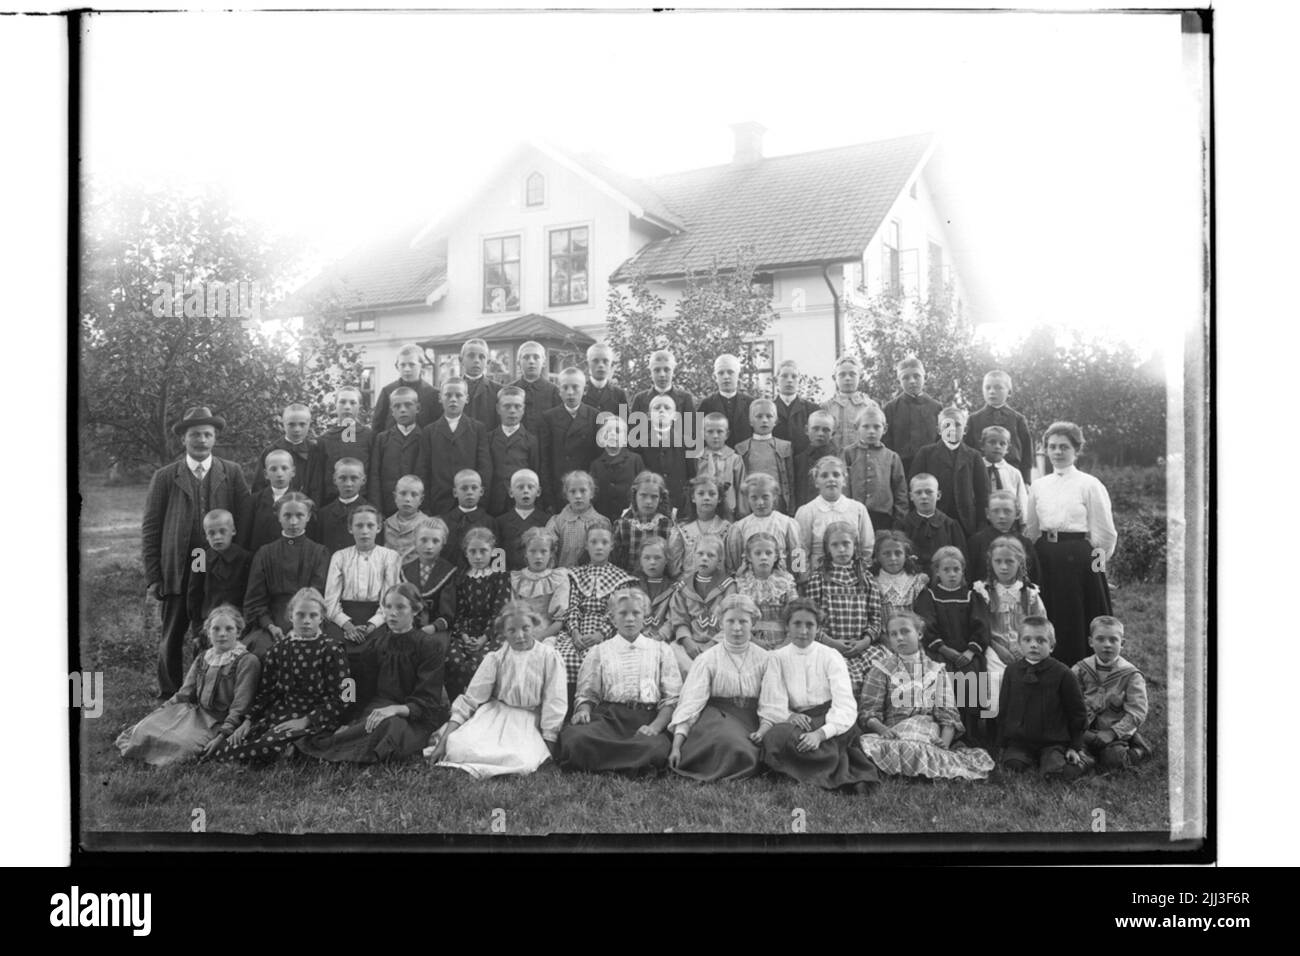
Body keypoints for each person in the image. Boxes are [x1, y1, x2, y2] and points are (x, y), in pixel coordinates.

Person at [143, 405, 252, 696]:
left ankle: (204, 690)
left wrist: (238, 564)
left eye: (207, 434)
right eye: (195, 435)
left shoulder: (231, 472)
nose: (201, 440)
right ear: (184, 439)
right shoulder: (166, 477)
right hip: (179, 567)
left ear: (215, 438)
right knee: (173, 632)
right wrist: (155, 575)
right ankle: (169, 693)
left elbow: (244, 519)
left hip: (218, 569)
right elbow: (152, 527)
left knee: (211, 629)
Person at [296, 582, 448, 763]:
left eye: (400, 607)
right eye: (388, 607)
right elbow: (358, 690)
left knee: (389, 726)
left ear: (415, 610)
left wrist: (394, 710)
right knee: (368, 723)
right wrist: (348, 720)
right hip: (377, 709)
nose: (392, 613)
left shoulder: (430, 646)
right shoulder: (376, 645)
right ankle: (325, 747)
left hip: (412, 717)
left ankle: (336, 754)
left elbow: (428, 700)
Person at [206, 587, 350, 762]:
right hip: (283, 713)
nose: (306, 621)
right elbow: (266, 692)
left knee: (263, 745)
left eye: (313, 615)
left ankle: (296, 748)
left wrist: (307, 720)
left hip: (319, 717)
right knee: (241, 739)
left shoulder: (333, 649)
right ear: (290, 616)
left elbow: (346, 697)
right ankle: (290, 749)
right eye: (300, 615)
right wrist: (248, 721)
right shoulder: (279, 649)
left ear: (322, 618)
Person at [429, 602, 568, 778]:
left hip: (527, 719)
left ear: (535, 625)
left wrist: (549, 746)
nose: (520, 636)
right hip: (495, 715)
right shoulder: (496, 658)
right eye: (512, 630)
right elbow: (470, 699)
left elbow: (555, 702)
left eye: (525, 628)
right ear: (503, 632)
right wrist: (444, 742)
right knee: (458, 747)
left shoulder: (549, 657)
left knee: (523, 759)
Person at [759, 598, 880, 792]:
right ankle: (819, 766)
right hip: (799, 718)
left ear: (818, 628)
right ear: (787, 626)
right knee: (776, 737)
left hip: (828, 716)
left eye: (810, 625)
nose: (803, 631)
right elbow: (771, 699)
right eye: (797, 624)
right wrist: (790, 715)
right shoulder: (777, 657)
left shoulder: (831, 655)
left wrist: (820, 734)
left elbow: (844, 703)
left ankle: (816, 768)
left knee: (828, 740)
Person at [857, 611, 995, 780]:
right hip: (896, 731)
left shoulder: (936, 669)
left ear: (919, 634)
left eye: (905, 631)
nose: (899, 638)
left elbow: (948, 715)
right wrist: (883, 730)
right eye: (893, 634)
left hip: (927, 732)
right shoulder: (881, 669)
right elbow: (869, 711)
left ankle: (921, 763)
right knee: (866, 747)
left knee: (925, 747)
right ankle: (914, 765)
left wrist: (944, 743)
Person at [117, 604, 261, 766]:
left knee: (183, 747)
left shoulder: (247, 661)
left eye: (229, 629)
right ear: (208, 632)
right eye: (216, 629)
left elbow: (240, 706)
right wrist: (159, 712)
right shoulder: (204, 657)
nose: (222, 634)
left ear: (239, 632)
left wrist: (222, 736)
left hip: (220, 722)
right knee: (144, 730)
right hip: (196, 714)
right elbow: (184, 693)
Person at [559, 588, 682, 775]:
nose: (630, 619)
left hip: (646, 718)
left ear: (645, 616)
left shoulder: (661, 650)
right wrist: (583, 711)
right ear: (612, 618)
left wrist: (655, 728)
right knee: (575, 739)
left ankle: (605, 760)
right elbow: (587, 694)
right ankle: (630, 762)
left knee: (655, 749)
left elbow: (671, 699)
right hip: (610, 719)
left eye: (636, 613)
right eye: (623, 613)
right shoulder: (599, 651)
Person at [1025, 421, 1117, 666]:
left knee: (1076, 615)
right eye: (1052, 446)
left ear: (1076, 450)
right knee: (1047, 610)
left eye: (1064, 447)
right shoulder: (1039, 485)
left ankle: (1080, 668)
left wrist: (1098, 571)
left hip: (1079, 558)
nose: (1057, 452)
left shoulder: (1089, 484)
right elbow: (1031, 527)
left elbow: (1104, 532)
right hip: (1045, 556)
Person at [668, 594, 784, 782]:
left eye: (743, 622)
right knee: (731, 742)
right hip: (718, 716)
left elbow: (772, 701)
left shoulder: (766, 659)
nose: (737, 628)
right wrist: (676, 746)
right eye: (730, 621)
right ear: (721, 623)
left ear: (753, 623)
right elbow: (691, 703)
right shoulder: (707, 659)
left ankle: (748, 759)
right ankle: (740, 762)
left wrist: (763, 730)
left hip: (753, 718)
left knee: (772, 743)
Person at [548, 527, 637, 700]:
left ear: (611, 546)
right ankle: (565, 701)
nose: (599, 547)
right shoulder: (577, 574)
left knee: (597, 659)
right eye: (594, 542)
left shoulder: (620, 577)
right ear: (586, 546)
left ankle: (591, 701)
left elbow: (617, 611)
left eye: (604, 542)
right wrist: (574, 632)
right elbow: (572, 606)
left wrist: (600, 634)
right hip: (577, 630)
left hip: (605, 632)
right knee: (563, 657)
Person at [996, 616, 1089, 780]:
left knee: (1055, 774)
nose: (1033, 645)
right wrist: (1003, 742)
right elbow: (1004, 708)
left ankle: (1082, 761)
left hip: (1052, 740)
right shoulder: (1012, 671)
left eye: (1041, 640)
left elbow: (1077, 713)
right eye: (1027, 640)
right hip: (1021, 740)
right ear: (1019, 644)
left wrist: (1075, 746)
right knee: (1012, 766)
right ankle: (1026, 758)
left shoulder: (1063, 673)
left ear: (1051, 646)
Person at [800, 521, 885, 697]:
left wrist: (865, 641)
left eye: (846, 544)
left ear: (855, 546)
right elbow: (810, 621)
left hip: (861, 647)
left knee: (880, 680)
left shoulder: (867, 578)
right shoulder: (818, 579)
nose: (841, 549)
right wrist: (830, 642)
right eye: (835, 545)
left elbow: (876, 618)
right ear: (827, 548)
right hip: (829, 647)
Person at [323, 505, 401, 693]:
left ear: (379, 528)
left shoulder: (390, 557)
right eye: (359, 526)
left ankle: (369, 703)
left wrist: (371, 626)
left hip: (378, 618)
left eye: (370, 525)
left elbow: (390, 599)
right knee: (339, 653)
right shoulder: (340, 557)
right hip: (343, 618)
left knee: (376, 652)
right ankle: (347, 703)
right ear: (350, 529)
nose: (365, 531)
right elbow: (330, 601)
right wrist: (347, 626)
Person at [242, 492, 330, 658]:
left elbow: (318, 596)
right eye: (287, 515)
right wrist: (270, 626)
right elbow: (255, 600)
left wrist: (297, 625)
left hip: (308, 619)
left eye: (299, 515)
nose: (293, 522)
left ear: (309, 517)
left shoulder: (319, 553)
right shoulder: (265, 553)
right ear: (278, 517)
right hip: (269, 622)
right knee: (261, 652)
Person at [914, 546, 988, 744]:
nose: (952, 574)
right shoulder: (929, 595)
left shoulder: (972, 596)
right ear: (937, 572)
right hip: (939, 650)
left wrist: (971, 652)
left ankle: (970, 733)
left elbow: (981, 626)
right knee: (943, 677)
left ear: (963, 570)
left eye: (956, 569)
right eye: (946, 570)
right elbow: (926, 626)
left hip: (967, 652)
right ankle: (945, 730)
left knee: (970, 675)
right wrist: (946, 651)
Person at [971, 536, 1047, 724]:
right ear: (991, 562)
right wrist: (998, 648)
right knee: (995, 678)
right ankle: (996, 725)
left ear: (1020, 562)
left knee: (1028, 678)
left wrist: (1024, 646)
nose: (1003, 567)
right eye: (998, 561)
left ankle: (1025, 724)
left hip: (1024, 646)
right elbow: (981, 626)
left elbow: (1040, 624)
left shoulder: (1029, 593)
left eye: (1009, 561)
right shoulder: (984, 591)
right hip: (994, 647)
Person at [1072, 616, 1153, 770]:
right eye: (1100, 639)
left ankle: (1138, 749)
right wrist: (1081, 730)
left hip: (1113, 731)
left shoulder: (1130, 674)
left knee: (1113, 760)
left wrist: (1112, 733)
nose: (1107, 645)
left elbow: (1137, 711)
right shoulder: (1081, 669)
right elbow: (1069, 700)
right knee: (1066, 748)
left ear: (1122, 644)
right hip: (1085, 729)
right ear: (1090, 641)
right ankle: (1086, 757)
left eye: (1113, 640)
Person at [445, 526, 512, 701]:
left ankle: (480, 704)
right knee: (454, 660)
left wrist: (483, 638)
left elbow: (499, 613)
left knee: (482, 660)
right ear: (465, 553)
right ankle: (457, 705)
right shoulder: (460, 577)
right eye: (472, 551)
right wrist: (465, 637)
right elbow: (458, 612)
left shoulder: (501, 577)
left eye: (483, 551)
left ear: (492, 551)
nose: (478, 556)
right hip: (465, 632)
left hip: (492, 632)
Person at [909, 406, 989, 538]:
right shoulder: (926, 453)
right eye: (947, 425)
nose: (952, 429)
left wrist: (981, 524)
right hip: (933, 519)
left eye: (957, 425)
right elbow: (913, 487)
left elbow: (983, 494)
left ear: (965, 430)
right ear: (939, 430)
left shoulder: (974, 456)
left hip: (966, 522)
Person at [419, 377, 493, 518]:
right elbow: (423, 470)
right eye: (448, 395)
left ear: (467, 398)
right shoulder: (429, 431)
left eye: (458, 395)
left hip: (470, 505)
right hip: (439, 505)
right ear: (440, 398)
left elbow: (485, 469)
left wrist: (481, 504)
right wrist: (426, 508)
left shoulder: (477, 429)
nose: (453, 399)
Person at [668, 534, 737, 677]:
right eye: (700, 554)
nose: (704, 558)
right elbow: (679, 619)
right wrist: (687, 642)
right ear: (693, 557)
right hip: (692, 643)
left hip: (718, 643)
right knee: (673, 650)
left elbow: (731, 619)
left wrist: (713, 644)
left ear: (719, 561)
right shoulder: (683, 588)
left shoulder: (728, 586)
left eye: (710, 555)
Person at [794, 455, 874, 571]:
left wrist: (862, 570)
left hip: (852, 572)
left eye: (836, 475)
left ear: (844, 480)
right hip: (817, 573)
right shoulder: (807, 511)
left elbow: (867, 545)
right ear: (816, 482)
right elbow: (799, 549)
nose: (831, 479)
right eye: (824, 476)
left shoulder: (858, 509)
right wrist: (801, 576)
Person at [186, 510, 251, 649]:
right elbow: (194, 596)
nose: (217, 537)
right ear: (205, 535)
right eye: (212, 533)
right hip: (209, 623)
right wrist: (197, 631)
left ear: (233, 531)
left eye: (223, 531)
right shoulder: (200, 559)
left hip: (237, 624)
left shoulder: (245, 558)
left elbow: (250, 594)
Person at [539, 367, 601, 513]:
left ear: (584, 390)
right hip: (560, 487)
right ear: (559, 391)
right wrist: (548, 495)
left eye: (575, 387)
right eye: (565, 387)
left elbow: (598, 458)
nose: (570, 392)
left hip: (585, 489)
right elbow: (545, 459)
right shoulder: (549, 418)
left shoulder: (595, 416)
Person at [843, 405, 908, 532]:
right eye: (866, 426)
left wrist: (899, 520)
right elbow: (843, 487)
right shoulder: (848, 454)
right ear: (856, 428)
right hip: (853, 515)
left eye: (876, 427)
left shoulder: (892, 457)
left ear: (885, 429)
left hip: (883, 517)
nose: (871, 431)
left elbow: (900, 491)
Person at [964, 369, 1035, 486]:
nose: (992, 392)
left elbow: (1027, 451)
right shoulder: (974, 419)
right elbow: (967, 449)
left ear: (1009, 392)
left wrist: (1026, 480)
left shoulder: (1018, 419)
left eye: (998, 388)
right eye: (988, 388)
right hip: (980, 474)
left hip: (1011, 473)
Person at [726, 473, 805, 574]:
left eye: (765, 497)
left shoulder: (786, 524)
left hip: (780, 581)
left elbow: (797, 554)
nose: (760, 502)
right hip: (750, 582)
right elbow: (735, 561)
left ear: (774, 496)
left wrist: (797, 578)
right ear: (747, 498)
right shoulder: (740, 527)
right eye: (754, 498)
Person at [252, 403, 327, 505]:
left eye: (302, 424)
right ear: (283, 424)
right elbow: (259, 486)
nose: (297, 429)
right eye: (291, 424)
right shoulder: (270, 451)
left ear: (309, 424)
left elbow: (318, 487)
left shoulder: (315, 452)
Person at [734, 532, 798, 651]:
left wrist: (785, 644)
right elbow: (736, 617)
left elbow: (795, 615)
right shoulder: (741, 584)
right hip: (750, 643)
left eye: (768, 553)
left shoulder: (785, 583)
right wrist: (753, 641)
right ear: (749, 557)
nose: (763, 557)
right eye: (758, 553)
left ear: (776, 556)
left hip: (782, 642)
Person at [636, 392, 696, 515]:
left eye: (667, 408)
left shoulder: (687, 443)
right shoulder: (639, 444)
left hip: (680, 506)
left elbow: (692, 477)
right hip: (650, 507)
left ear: (675, 416)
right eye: (657, 408)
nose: (662, 411)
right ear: (648, 415)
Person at [368, 386, 424, 518]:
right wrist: (377, 509)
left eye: (408, 405)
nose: (403, 410)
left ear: (418, 408)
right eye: (397, 406)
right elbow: (375, 476)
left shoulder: (425, 438)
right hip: (388, 508)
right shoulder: (382, 439)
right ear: (391, 411)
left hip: (417, 510)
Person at [881, 356, 942, 475]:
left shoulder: (937, 408)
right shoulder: (890, 409)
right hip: (901, 470)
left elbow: (942, 441)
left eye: (916, 376)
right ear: (899, 381)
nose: (912, 381)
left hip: (931, 468)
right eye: (905, 377)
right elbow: (886, 444)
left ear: (925, 377)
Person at [965, 489, 1040, 585]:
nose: (1001, 516)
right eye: (995, 511)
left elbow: (1035, 577)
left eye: (1007, 511)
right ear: (987, 513)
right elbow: (970, 575)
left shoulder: (1025, 543)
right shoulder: (976, 542)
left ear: (1017, 513)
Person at [485, 385, 538, 517]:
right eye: (507, 406)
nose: (512, 411)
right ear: (498, 408)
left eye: (517, 406)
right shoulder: (489, 438)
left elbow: (535, 469)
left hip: (521, 503)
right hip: (494, 503)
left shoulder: (531, 440)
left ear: (523, 409)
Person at [734, 399, 794, 515]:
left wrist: (791, 509)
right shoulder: (741, 448)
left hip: (778, 505)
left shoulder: (785, 447)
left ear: (775, 421)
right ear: (751, 421)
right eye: (759, 416)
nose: (764, 420)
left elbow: (791, 481)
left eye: (769, 416)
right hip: (752, 505)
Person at [400, 517, 457, 639]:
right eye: (423, 540)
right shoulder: (404, 570)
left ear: (443, 543)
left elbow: (448, 614)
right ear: (415, 541)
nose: (429, 546)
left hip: (435, 630)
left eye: (435, 541)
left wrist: (431, 628)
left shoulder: (448, 572)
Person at [510, 526, 570, 640]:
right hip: (521, 632)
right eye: (532, 551)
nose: (538, 556)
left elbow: (560, 620)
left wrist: (541, 636)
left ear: (551, 553)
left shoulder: (559, 578)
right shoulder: (516, 579)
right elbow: (513, 613)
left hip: (549, 633)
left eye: (543, 551)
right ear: (525, 553)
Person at [317, 386, 374, 505]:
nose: (347, 407)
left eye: (353, 403)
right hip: (332, 502)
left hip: (363, 502)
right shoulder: (325, 439)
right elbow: (320, 476)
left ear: (360, 407)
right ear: (335, 406)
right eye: (342, 402)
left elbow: (374, 473)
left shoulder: (369, 437)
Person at [898, 473, 966, 571]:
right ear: (911, 496)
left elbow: (961, 559)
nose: (924, 496)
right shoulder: (903, 525)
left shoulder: (950, 525)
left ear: (938, 495)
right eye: (918, 492)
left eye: (929, 492)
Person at [668, 475, 732, 577]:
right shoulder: (682, 530)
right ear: (693, 498)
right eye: (701, 494)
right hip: (688, 587)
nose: (706, 498)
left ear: (719, 498)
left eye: (712, 494)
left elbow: (731, 565)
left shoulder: (727, 529)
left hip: (718, 587)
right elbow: (674, 566)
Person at [611, 471, 674, 574]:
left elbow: (671, 563)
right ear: (635, 495)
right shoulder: (622, 525)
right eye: (643, 495)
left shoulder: (667, 525)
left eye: (654, 497)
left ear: (661, 498)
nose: (648, 501)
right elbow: (614, 561)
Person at [545, 470, 610, 568]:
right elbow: (548, 550)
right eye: (572, 491)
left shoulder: (601, 522)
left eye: (583, 491)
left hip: (592, 577)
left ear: (591, 493)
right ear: (566, 495)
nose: (578, 496)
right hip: (564, 577)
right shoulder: (557, 522)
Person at [371, 343, 442, 432]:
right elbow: (377, 425)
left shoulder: (432, 394)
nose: (407, 369)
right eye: (403, 365)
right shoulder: (388, 391)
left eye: (412, 364)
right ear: (397, 366)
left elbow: (437, 427)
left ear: (422, 366)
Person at [439, 469, 499, 569]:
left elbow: (496, 553)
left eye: (474, 488)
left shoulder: (489, 522)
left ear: (481, 491)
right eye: (464, 488)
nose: (469, 492)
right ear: (455, 492)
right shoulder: (444, 521)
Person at [590, 417, 646, 524]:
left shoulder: (635, 460)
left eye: (617, 431)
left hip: (631, 521)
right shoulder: (596, 465)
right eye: (607, 431)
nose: (612, 434)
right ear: (601, 439)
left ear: (625, 439)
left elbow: (643, 488)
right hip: (604, 520)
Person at [313, 458, 374, 556]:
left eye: (354, 478)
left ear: (363, 480)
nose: (348, 484)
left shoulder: (372, 513)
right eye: (343, 478)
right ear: (334, 479)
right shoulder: (323, 515)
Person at [694, 412, 746, 520]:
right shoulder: (697, 458)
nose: (715, 436)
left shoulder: (735, 459)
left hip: (728, 510)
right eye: (710, 432)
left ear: (727, 434)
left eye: (720, 432)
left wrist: (742, 513)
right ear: (703, 434)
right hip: (703, 509)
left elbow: (741, 486)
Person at [497, 468, 551, 570]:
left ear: (538, 491)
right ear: (511, 492)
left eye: (530, 487)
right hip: (510, 576)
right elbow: (498, 554)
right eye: (520, 487)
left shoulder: (547, 520)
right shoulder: (501, 522)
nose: (525, 491)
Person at [247, 449, 297, 555]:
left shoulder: (300, 501)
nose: (279, 474)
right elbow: (245, 536)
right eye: (273, 469)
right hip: (260, 560)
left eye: (284, 468)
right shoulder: (254, 501)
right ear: (265, 474)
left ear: (293, 472)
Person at [871, 530, 929, 621]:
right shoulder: (872, 582)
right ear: (878, 556)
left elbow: (924, 617)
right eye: (887, 554)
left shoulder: (917, 582)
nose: (893, 558)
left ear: (906, 555)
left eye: (898, 553)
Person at [698, 353, 754, 446]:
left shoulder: (751, 403)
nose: (726, 377)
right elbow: (698, 438)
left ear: (739, 375)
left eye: (730, 372)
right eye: (721, 373)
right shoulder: (706, 404)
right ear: (714, 377)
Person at [821, 354, 873, 451]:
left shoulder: (870, 406)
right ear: (834, 378)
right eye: (842, 374)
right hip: (835, 460)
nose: (847, 378)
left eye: (852, 374)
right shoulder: (826, 407)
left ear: (860, 377)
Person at [510, 341, 562, 436]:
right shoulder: (510, 390)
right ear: (518, 362)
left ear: (544, 362)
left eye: (536, 357)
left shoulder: (554, 391)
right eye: (526, 357)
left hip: (544, 447)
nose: (531, 361)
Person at [633, 537, 680, 642]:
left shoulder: (674, 588)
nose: (652, 562)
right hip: (635, 638)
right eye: (647, 558)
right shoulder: (632, 586)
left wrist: (661, 635)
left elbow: (673, 618)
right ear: (640, 560)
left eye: (657, 557)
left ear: (666, 560)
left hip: (662, 640)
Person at [629, 348, 697, 419]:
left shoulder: (685, 399)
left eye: (666, 370)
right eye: (657, 370)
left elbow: (691, 429)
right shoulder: (640, 399)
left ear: (673, 371)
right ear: (651, 372)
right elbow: (633, 428)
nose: (662, 374)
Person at [792, 409, 841, 509]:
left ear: (833, 433)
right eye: (815, 429)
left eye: (826, 430)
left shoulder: (839, 458)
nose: (820, 433)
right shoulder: (799, 460)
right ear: (806, 430)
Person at [979, 425, 1028, 524]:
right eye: (992, 442)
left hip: (1007, 524)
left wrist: (1023, 522)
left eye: (1002, 444)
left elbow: (1022, 500)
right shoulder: (975, 469)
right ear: (982, 446)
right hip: (980, 522)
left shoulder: (1014, 473)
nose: (997, 446)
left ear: (1007, 448)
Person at [772, 359, 818, 452]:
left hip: (803, 463)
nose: (789, 380)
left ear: (800, 381)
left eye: (794, 376)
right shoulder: (768, 409)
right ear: (776, 380)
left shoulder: (812, 410)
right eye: (784, 376)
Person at [382, 475, 428, 561]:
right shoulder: (386, 524)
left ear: (421, 500)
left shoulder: (427, 525)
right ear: (395, 497)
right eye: (403, 493)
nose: (407, 499)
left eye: (414, 495)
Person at [459, 337, 500, 432]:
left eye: (482, 357)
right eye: (471, 356)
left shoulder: (497, 391)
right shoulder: (452, 390)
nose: (476, 360)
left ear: (488, 362)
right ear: (461, 360)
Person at [581, 342, 628, 417]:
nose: (601, 365)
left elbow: (624, 422)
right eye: (595, 361)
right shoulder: (580, 391)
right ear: (587, 364)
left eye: (605, 361)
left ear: (611, 364)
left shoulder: (619, 394)